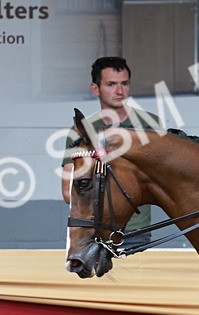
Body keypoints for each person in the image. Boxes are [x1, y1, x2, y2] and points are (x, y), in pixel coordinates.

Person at [61, 57, 160, 249]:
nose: (120, 91)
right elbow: (68, 193)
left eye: (125, 83)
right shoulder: (80, 131)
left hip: (136, 232)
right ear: (95, 89)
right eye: (111, 84)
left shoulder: (150, 124)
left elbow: (160, 182)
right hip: (94, 233)